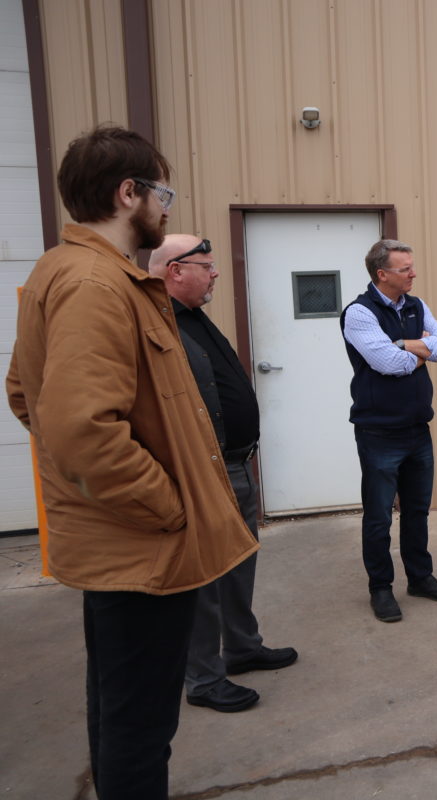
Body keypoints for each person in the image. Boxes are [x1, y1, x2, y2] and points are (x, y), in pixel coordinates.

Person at [6, 125, 256, 798]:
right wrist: (167, 506)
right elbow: (81, 428)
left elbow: (25, 395)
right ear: (127, 193)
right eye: (160, 193)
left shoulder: (64, 271)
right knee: (140, 729)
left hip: (122, 543)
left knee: (119, 711)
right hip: (143, 549)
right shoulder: (95, 284)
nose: (166, 208)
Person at [148, 234, 298, 713]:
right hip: (202, 474)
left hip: (236, 464)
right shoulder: (156, 324)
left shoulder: (192, 318)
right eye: (206, 266)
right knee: (205, 578)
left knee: (239, 565)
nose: (215, 273)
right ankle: (205, 679)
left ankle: (242, 646)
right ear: (175, 270)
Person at [341, 239, 437, 622]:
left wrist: (408, 344)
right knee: (378, 516)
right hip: (378, 433)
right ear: (382, 274)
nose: (413, 273)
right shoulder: (359, 313)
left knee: (417, 512)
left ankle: (420, 578)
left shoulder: (416, 305)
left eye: (411, 266)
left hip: (416, 428)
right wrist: (420, 349)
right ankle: (381, 588)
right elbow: (388, 363)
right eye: (405, 269)